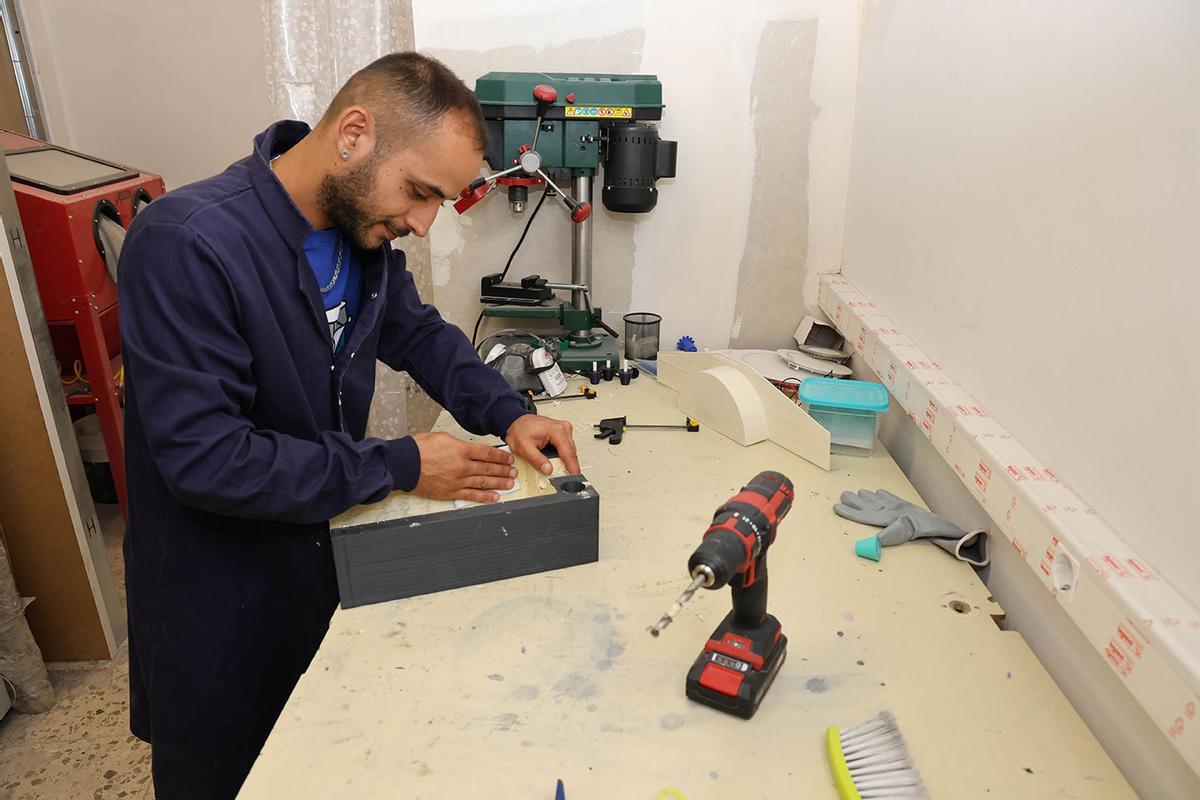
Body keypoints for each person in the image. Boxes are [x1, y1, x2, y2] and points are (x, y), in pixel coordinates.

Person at [118, 52, 579, 799]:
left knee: (322, 760)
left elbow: (419, 334)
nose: (424, 224)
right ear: (354, 134)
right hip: (217, 594)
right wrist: (398, 463)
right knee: (230, 774)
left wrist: (511, 413)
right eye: (421, 193)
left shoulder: (361, 234)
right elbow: (208, 460)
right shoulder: (188, 244)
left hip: (319, 557)